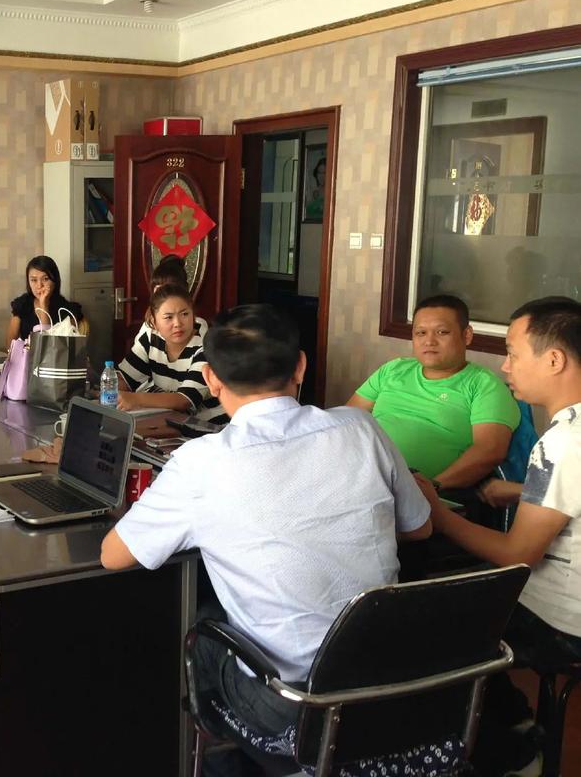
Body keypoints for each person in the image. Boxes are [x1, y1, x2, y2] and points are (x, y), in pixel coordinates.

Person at [101, 304, 431, 760]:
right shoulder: (361, 428)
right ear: (300, 367)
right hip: (389, 680)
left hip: (294, 705)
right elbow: (419, 527)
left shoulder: (201, 462)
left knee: (197, 623)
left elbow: (113, 556)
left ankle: (232, 761)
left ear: (211, 379)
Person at [417, 297, 581, 773]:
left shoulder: (564, 442)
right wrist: (525, 490)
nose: (505, 366)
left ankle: (511, 755)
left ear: (554, 360)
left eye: (512, 352)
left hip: (565, 621)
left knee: (424, 624)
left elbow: (517, 554)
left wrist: (438, 513)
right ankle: (513, 719)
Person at [347, 294, 519, 491]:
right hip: (363, 479)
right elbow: (349, 419)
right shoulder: (393, 370)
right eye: (421, 333)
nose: (429, 341)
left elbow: (489, 451)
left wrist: (429, 488)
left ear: (467, 335)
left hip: (427, 495)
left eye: (442, 332)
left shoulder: (484, 385)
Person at [116, 284, 223, 421]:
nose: (177, 323)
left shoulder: (206, 346)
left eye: (185, 314)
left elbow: (185, 400)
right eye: (168, 317)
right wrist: (109, 392)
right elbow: (125, 378)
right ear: (154, 322)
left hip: (207, 422)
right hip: (170, 417)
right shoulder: (151, 338)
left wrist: (134, 399)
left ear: (193, 316)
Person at [6, 255, 83, 342]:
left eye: (45, 279)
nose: (39, 285)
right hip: (25, 351)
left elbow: (47, 345)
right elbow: (10, 344)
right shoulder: (22, 304)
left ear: (55, 281)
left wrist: (44, 305)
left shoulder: (67, 310)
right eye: (34, 280)